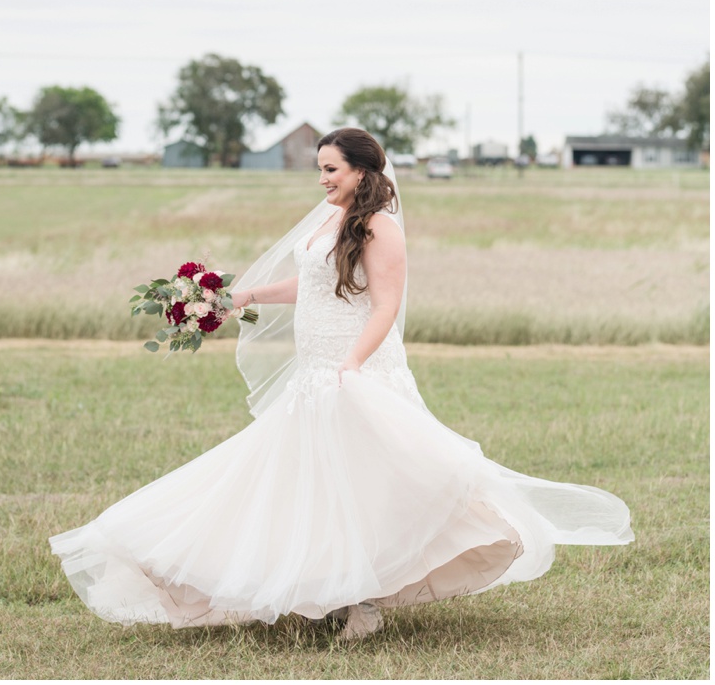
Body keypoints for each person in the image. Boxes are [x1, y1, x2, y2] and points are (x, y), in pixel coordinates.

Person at [50, 127, 633, 640]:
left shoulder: (382, 228)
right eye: (320, 170)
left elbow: (385, 307)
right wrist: (242, 296)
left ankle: (364, 600)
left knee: (364, 485)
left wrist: (351, 364)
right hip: (314, 374)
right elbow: (315, 283)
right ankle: (327, 588)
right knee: (310, 483)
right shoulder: (333, 220)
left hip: (358, 370)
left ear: (361, 171)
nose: (322, 180)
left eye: (330, 169)